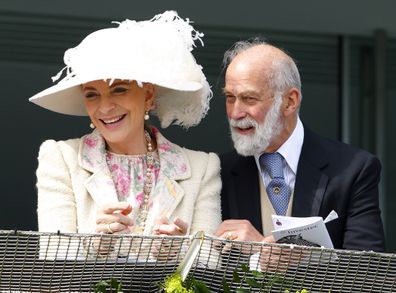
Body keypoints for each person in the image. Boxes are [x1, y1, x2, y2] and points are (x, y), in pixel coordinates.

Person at [30, 11, 221, 244]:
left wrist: (174, 255)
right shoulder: (61, 159)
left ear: (148, 95)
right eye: (92, 95)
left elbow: (209, 266)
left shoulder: (201, 168)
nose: (105, 107)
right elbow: (53, 259)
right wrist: (96, 244)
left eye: (119, 90)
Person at [215, 38, 385, 252]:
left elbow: (367, 270)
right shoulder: (218, 172)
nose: (235, 113)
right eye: (230, 98)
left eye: (249, 98)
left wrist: (264, 251)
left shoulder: (354, 169)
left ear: (290, 102)